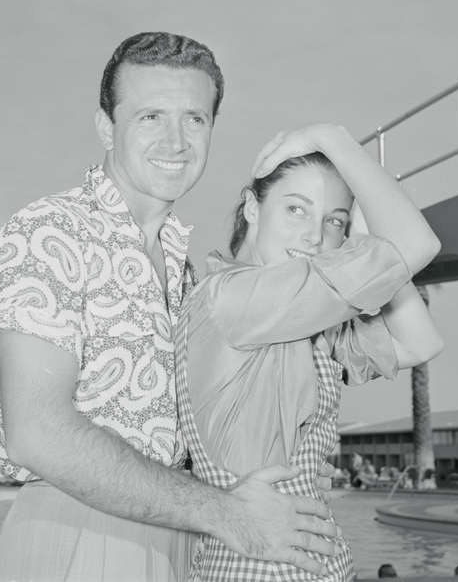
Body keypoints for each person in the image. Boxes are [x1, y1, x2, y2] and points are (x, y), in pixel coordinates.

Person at [0, 34, 341, 582]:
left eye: (194, 119)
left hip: (179, 540)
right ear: (106, 126)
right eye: (151, 116)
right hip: (81, 531)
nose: (175, 140)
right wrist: (226, 512)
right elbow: (38, 431)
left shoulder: (185, 268)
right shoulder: (50, 231)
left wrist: (291, 470)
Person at [177, 124, 444, 580]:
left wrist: (361, 238)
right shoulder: (234, 298)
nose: (315, 237)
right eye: (296, 209)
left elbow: (421, 343)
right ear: (252, 207)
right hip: (261, 567)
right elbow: (418, 245)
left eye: (333, 220)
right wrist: (332, 137)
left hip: (302, 562)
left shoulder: (301, 320)